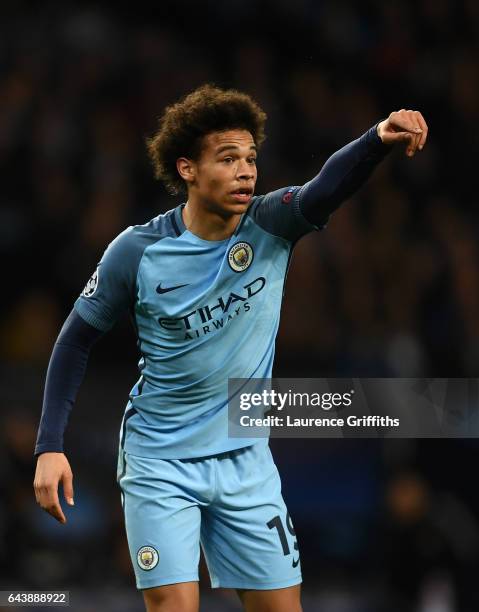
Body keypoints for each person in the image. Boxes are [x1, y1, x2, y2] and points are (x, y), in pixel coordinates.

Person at [33, 84, 428, 612]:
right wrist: (49, 444)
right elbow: (75, 340)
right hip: (161, 459)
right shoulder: (138, 252)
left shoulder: (272, 223)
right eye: (227, 159)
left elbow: (323, 189)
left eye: (250, 158)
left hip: (246, 458)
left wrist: (375, 139)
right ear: (188, 170)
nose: (245, 171)